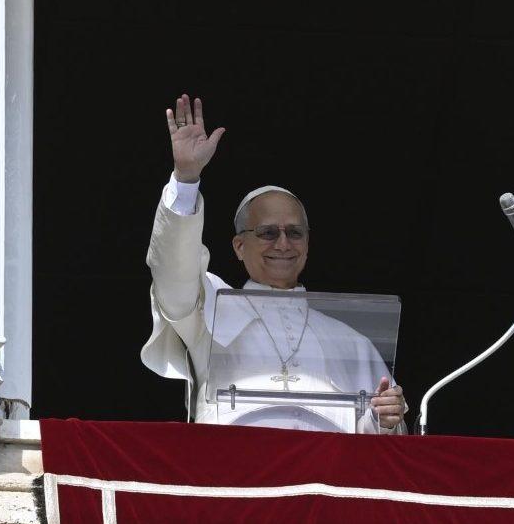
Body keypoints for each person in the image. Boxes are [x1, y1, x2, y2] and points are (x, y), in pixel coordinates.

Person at [141, 94, 408, 433]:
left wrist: (382, 419)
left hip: (322, 466)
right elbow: (172, 270)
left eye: (294, 233)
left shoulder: (351, 342)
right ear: (239, 246)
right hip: (236, 462)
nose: (283, 244)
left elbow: (377, 441)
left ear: (307, 244)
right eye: (267, 232)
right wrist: (186, 178)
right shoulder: (210, 310)